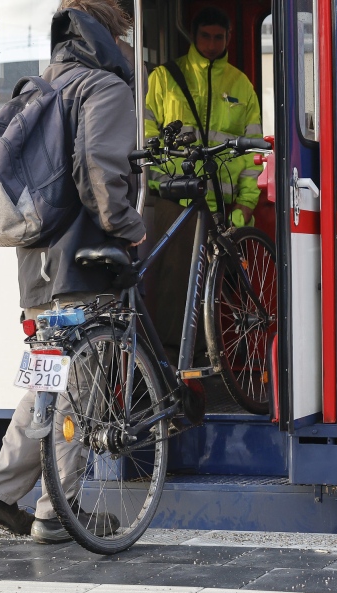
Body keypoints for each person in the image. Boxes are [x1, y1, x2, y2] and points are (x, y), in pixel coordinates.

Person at [0, 0, 146, 544]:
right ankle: (57, 510)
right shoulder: (102, 87)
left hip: (36, 267)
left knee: (47, 379)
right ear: (114, 30)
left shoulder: (40, 86)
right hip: (81, 264)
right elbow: (100, 173)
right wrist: (130, 225)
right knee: (80, 388)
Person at [142, 6, 262, 346]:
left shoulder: (242, 84)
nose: (212, 44)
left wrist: (246, 204)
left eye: (218, 37)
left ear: (228, 38)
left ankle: (208, 363)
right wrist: (162, 182)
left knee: (219, 288)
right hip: (176, 199)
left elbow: (253, 154)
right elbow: (147, 139)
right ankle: (171, 366)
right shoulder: (163, 79)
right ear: (194, 37)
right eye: (206, 37)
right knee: (176, 285)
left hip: (223, 207)